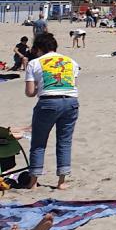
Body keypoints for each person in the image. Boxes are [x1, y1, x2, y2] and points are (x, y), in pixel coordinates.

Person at [23, 32, 80, 190]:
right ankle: (61, 182)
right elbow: (73, 84)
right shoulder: (71, 61)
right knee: (64, 141)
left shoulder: (34, 63)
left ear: (39, 49)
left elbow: (29, 92)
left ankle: (33, 182)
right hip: (71, 102)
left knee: (38, 142)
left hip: (48, 102)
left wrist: (37, 89)